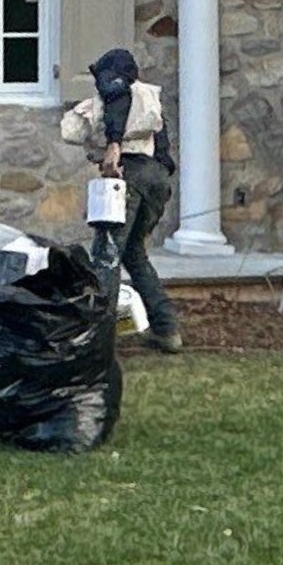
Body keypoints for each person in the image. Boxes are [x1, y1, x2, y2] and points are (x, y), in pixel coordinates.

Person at [59, 47, 179, 352]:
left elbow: (115, 98)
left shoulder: (119, 92)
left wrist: (113, 145)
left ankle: (97, 339)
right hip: (157, 179)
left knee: (106, 256)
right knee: (134, 254)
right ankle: (166, 329)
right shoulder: (149, 102)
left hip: (129, 177)